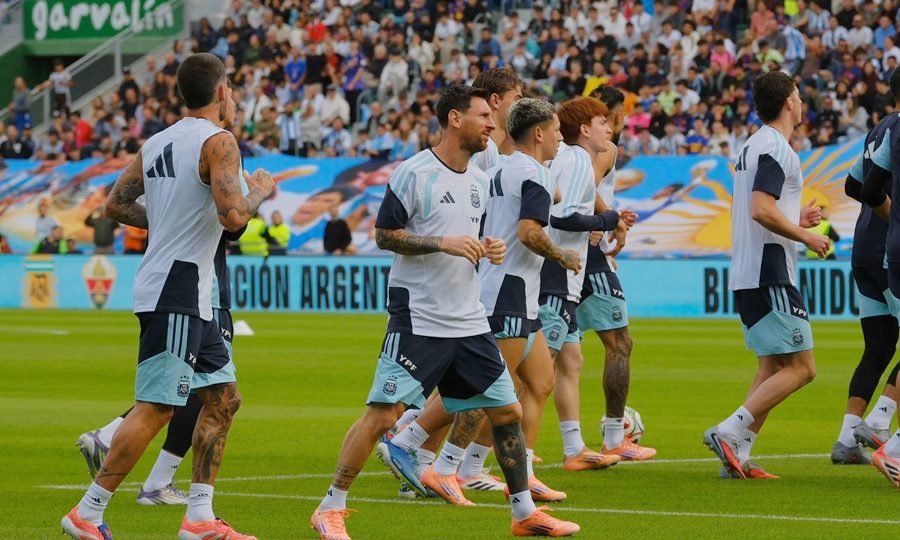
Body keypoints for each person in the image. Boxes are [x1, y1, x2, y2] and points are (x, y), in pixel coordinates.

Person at [309, 85, 580, 539]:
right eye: (483, 117)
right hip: (420, 316)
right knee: (382, 415)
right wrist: (442, 243)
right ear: (455, 119)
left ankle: (524, 514)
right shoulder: (414, 173)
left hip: (469, 317)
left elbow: (467, 236)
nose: (492, 125)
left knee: (507, 411)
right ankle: (330, 506)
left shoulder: (479, 179)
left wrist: (486, 247)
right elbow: (384, 235)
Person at [60, 52, 275, 540]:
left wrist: (169, 219)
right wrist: (258, 192)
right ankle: (87, 513)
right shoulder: (220, 142)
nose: (235, 98)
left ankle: (199, 518)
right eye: (233, 90)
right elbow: (234, 218)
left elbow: (116, 205)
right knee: (157, 408)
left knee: (223, 400)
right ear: (222, 92)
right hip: (178, 287)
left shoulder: (157, 141)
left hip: (188, 289)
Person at [703, 71, 828, 480]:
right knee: (803, 368)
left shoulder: (752, 145)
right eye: (799, 94)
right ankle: (729, 430)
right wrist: (806, 235)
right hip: (770, 270)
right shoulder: (776, 147)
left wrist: (795, 216)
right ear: (788, 102)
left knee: (772, 366)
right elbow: (760, 208)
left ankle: (737, 454)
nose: (802, 101)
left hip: (748, 270)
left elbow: (763, 207)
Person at [572, 85, 654, 462]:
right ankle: (613, 435)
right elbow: (584, 183)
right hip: (586, 256)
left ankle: (416, 424)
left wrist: (610, 223)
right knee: (619, 344)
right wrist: (612, 222)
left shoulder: (570, 149)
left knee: (550, 357)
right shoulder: (605, 148)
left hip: (576, 250)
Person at [833, 74, 900, 464]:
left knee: (878, 347)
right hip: (889, 251)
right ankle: (880, 419)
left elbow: (852, 185)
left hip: (863, 249)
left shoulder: (880, 129)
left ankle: (846, 438)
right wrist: (893, 218)